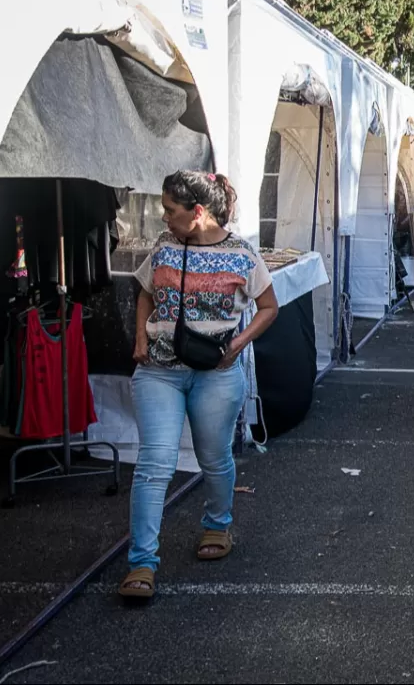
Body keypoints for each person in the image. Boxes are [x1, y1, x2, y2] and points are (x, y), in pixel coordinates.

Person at [119, 171, 280, 599]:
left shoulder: (242, 254)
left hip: (216, 373)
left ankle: (217, 524)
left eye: (171, 211)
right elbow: (145, 292)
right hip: (158, 371)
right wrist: (140, 335)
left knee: (214, 459)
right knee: (154, 464)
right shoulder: (165, 247)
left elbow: (268, 306)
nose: (164, 217)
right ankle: (142, 562)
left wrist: (239, 343)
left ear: (199, 212)